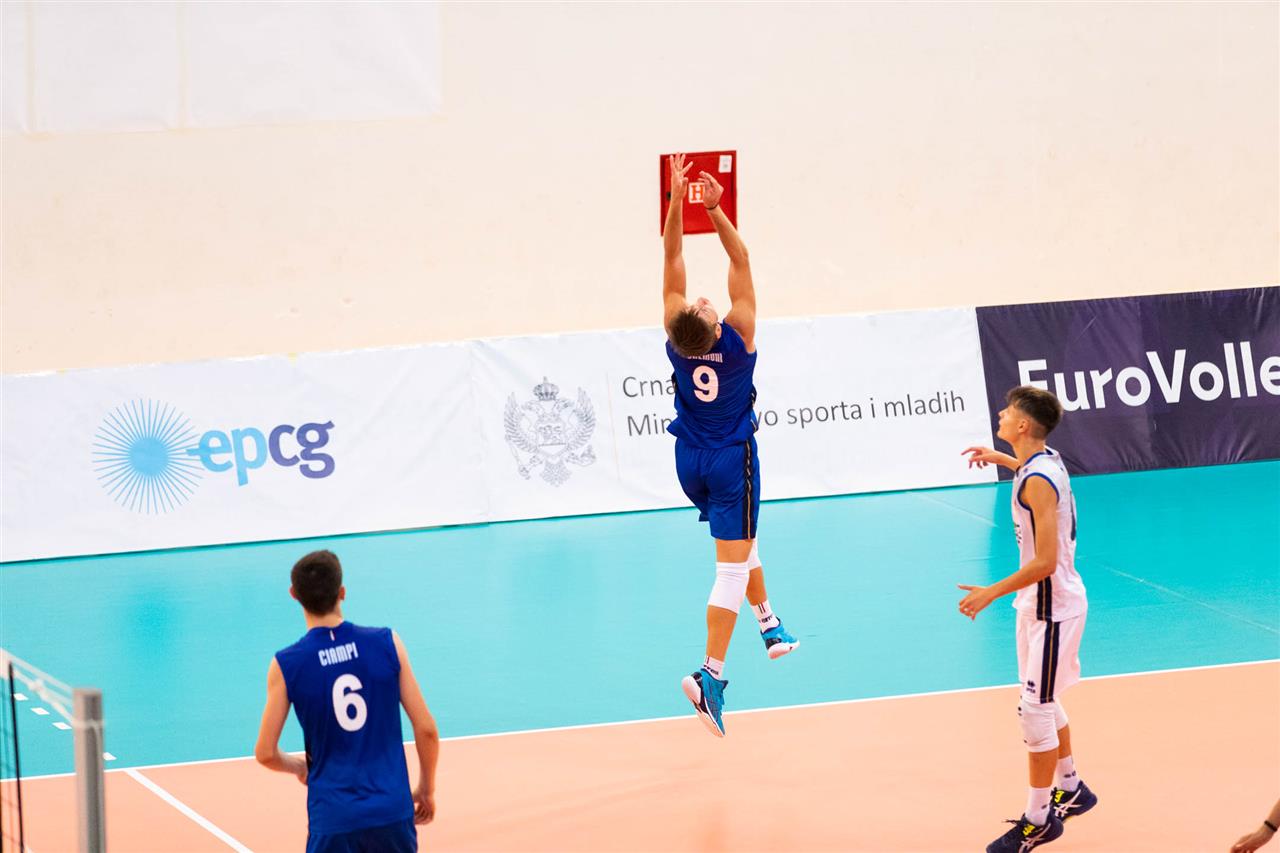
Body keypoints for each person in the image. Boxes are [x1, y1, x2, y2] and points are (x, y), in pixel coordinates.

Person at [661, 153, 798, 739]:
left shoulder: (676, 339)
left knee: (742, 540)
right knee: (730, 568)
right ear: (714, 325)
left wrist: (675, 203)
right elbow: (739, 260)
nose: (702, 299)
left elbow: (672, 261)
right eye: (703, 305)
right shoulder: (739, 337)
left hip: (688, 459)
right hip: (729, 459)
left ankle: (769, 624)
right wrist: (714, 208)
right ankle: (710, 676)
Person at [959, 386, 1098, 851]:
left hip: (1053, 610)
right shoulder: (1043, 461)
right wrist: (1001, 459)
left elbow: (1044, 563)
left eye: (1008, 411)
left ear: (1022, 425)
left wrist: (989, 592)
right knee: (1042, 699)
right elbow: (1032, 476)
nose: (1000, 413)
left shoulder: (1038, 479)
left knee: (1034, 710)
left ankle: (1038, 820)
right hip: (1037, 607)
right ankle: (1072, 788)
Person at [254, 550, 439, 852]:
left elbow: (265, 753)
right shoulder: (387, 642)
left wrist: (300, 767)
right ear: (342, 592)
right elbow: (427, 729)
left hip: (334, 818)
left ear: (294, 595)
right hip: (391, 810)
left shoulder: (286, 664)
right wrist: (426, 789)